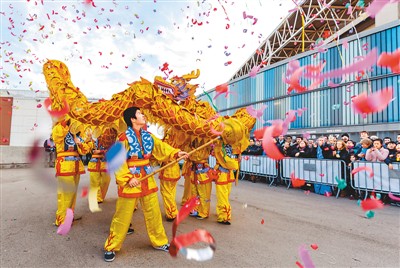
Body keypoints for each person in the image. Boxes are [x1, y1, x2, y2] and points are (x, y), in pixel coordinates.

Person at [103, 107, 189, 262]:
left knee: (154, 212)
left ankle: (160, 241)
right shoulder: (123, 138)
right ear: (132, 119)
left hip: (147, 178)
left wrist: (176, 153)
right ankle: (111, 246)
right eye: (139, 114)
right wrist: (128, 178)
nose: (143, 115)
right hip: (131, 180)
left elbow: (162, 148)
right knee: (122, 215)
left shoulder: (148, 136)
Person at [52, 118, 91, 226]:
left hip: (76, 166)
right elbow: (57, 135)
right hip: (65, 165)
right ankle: (61, 220)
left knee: (72, 194)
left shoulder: (78, 133)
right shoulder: (58, 128)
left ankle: (69, 216)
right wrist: (65, 122)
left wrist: (78, 140)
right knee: (65, 195)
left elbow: (85, 150)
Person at [88, 127, 117, 204]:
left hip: (106, 162)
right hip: (94, 161)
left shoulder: (111, 131)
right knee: (94, 181)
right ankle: (96, 198)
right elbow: (88, 147)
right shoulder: (92, 131)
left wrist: (101, 151)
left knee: (105, 181)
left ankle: (100, 196)